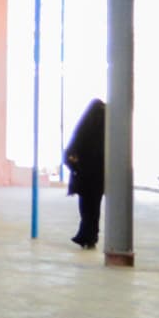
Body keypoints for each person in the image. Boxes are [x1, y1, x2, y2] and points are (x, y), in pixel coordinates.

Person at [63, 99, 106, 249]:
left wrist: (76, 167)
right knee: (94, 206)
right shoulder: (105, 132)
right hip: (98, 175)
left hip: (84, 175)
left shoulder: (83, 131)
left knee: (87, 207)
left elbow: (70, 153)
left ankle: (88, 236)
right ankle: (90, 236)